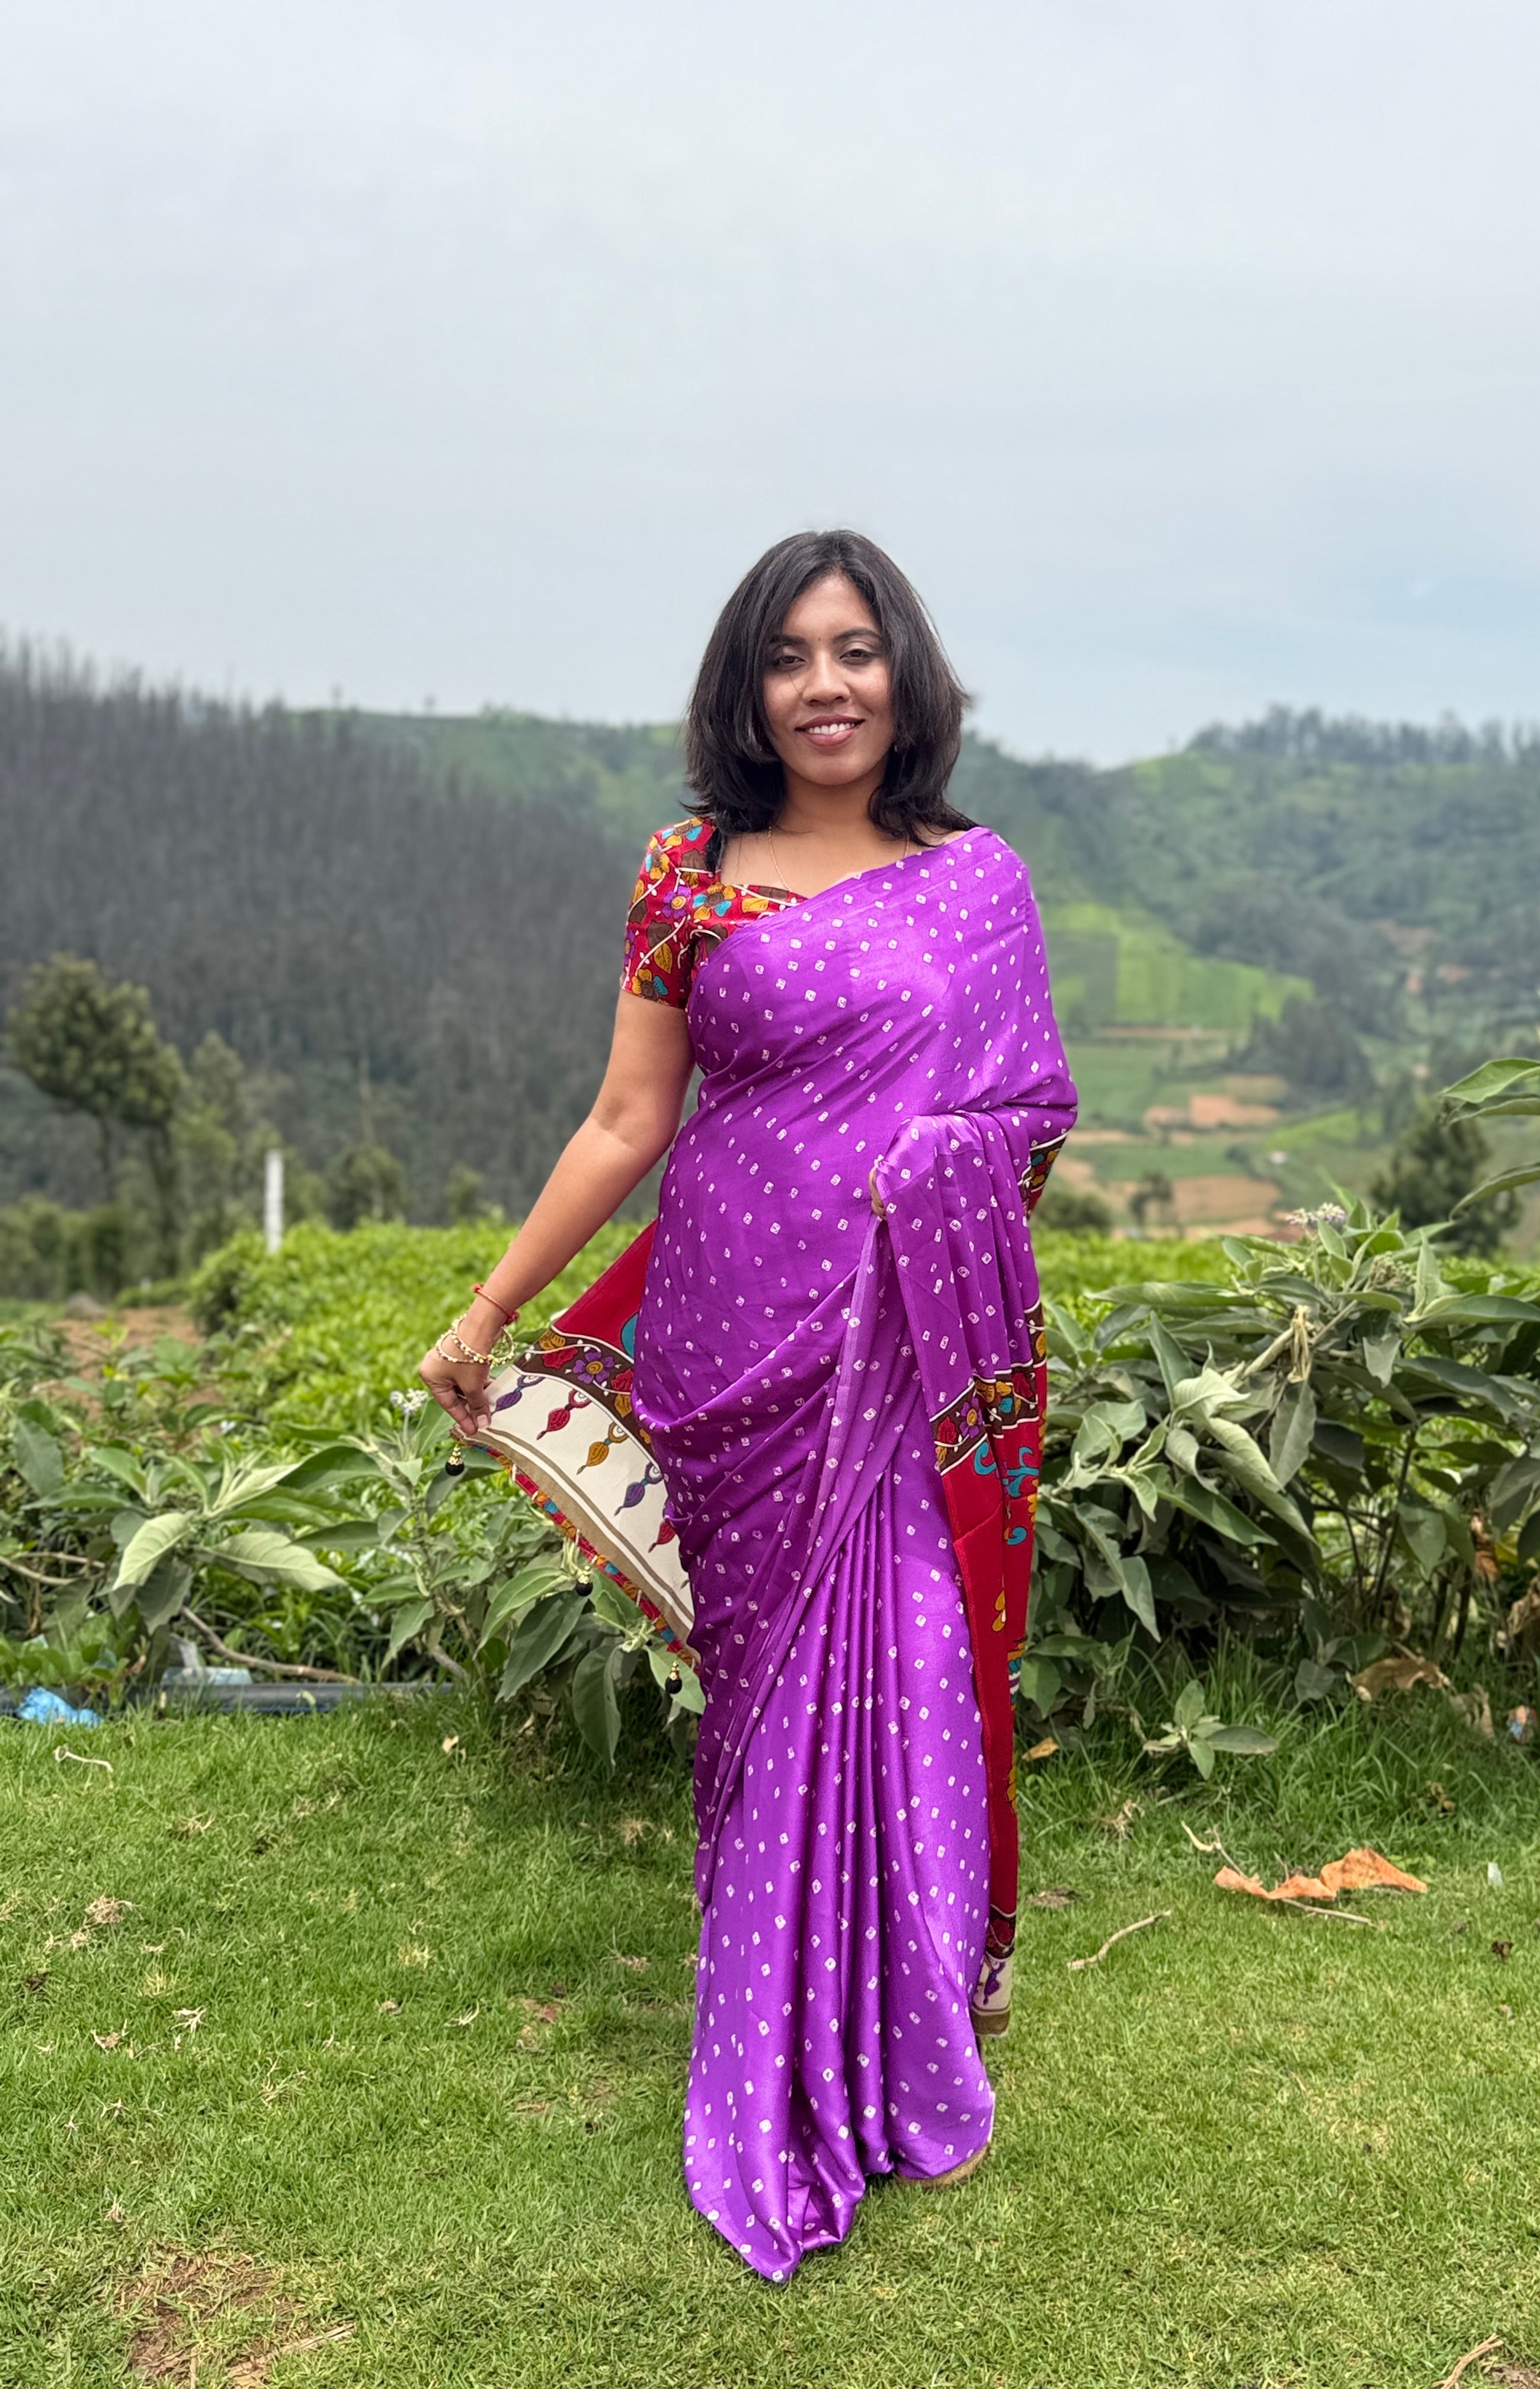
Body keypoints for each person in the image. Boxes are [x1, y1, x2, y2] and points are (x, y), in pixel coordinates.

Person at [419, 530, 1076, 2281]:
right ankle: (783, 2030)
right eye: (789, 656)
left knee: (920, 1659)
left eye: (856, 650)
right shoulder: (688, 875)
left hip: (902, 1345)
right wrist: (493, 1308)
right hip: (735, 1333)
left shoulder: (979, 883)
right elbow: (629, 1121)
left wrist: (940, 1170)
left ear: (906, 676)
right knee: (774, 1694)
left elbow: (1025, 1121)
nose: (827, 684)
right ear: (747, 688)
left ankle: (911, 2009)